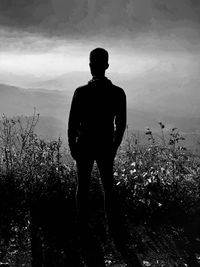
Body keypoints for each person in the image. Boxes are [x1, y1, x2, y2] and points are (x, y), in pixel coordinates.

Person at [68, 48, 141, 266]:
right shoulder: (118, 93)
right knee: (108, 187)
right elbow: (121, 124)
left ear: (90, 65)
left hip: (85, 145)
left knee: (82, 186)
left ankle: (81, 225)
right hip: (105, 146)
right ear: (107, 66)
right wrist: (114, 146)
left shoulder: (80, 92)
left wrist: (73, 146)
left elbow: (72, 124)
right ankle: (113, 227)